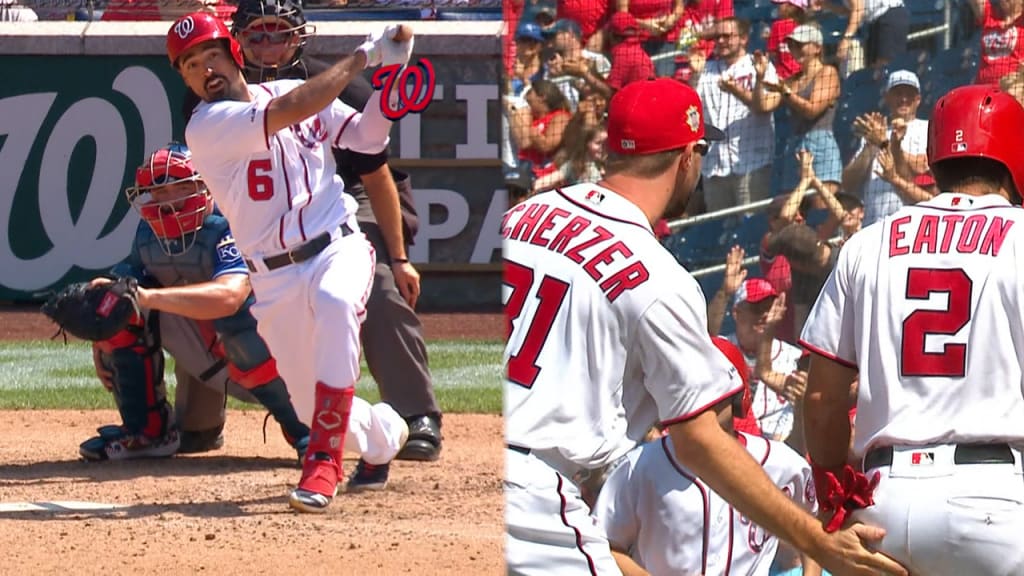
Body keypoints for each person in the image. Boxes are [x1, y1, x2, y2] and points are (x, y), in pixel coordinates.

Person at [502, 77, 908, 576]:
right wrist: (819, 544)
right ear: (689, 156)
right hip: (536, 492)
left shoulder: (523, 214)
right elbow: (700, 440)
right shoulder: (658, 275)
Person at [166, 12, 411, 513]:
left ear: (232, 53)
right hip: (273, 277)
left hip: (337, 243)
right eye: (190, 64)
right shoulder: (206, 125)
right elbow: (297, 104)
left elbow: (365, 140)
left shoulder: (287, 91)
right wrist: (366, 57)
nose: (204, 69)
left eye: (211, 54)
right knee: (308, 403)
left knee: (336, 299)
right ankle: (384, 435)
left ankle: (322, 462)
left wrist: (389, 88)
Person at [800, 84, 1024, 575]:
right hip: (993, 499)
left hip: (884, 500)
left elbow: (822, 401)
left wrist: (840, 494)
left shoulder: (867, 244)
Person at [230, 0, 443, 463]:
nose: (268, 47)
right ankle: (193, 422)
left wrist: (400, 256)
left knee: (382, 288)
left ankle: (414, 413)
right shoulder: (218, 93)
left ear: (299, 37)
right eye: (257, 35)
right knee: (209, 274)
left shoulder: (340, 85)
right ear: (238, 39)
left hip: (346, 194)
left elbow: (374, 171)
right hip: (266, 210)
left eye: (279, 34)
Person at [83, 143, 312, 463]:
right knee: (114, 306)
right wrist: (103, 328)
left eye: (179, 186)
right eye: (158, 191)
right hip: (208, 355)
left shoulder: (233, 222)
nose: (167, 200)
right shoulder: (149, 233)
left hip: (280, 354)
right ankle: (149, 432)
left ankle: (304, 430)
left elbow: (230, 296)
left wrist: (148, 297)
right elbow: (124, 289)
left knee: (238, 325)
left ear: (206, 185)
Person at [591, 336, 820, 576]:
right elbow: (603, 545)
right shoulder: (640, 466)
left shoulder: (781, 462)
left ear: (737, 396)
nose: (699, 402)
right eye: (691, 390)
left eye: (712, 390)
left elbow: (815, 526)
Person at [692, 17, 781, 213]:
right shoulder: (707, 71)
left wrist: (737, 91)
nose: (721, 41)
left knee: (751, 228)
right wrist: (694, 75)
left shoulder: (758, 66)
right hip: (714, 168)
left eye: (727, 36)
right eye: (717, 36)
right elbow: (689, 108)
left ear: (743, 38)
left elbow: (766, 106)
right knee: (719, 233)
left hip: (751, 165)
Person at [841, 70, 929, 226]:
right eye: (897, 93)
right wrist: (871, 146)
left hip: (913, 223)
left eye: (909, 94)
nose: (903, 99)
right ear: (887, 98)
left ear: (918, 99)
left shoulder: (927, 129)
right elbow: (848, 184)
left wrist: (885, 144)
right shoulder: (875, 132)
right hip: (875, 226)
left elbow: (922, 168)